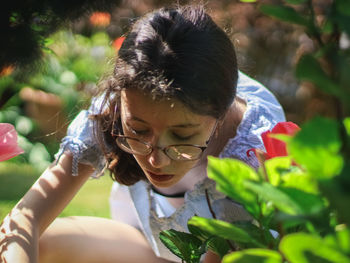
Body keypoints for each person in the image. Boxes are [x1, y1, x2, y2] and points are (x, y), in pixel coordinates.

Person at [0, 4, 285, 263]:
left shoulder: (254, 147)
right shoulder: (109, 112)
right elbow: (24, 219)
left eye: (183, 136)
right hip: (146, 246)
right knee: (36, 243)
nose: (156, 160)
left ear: (221, 114)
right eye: (138, 130)